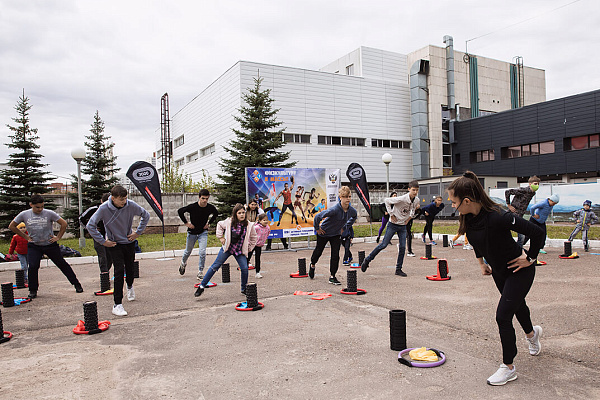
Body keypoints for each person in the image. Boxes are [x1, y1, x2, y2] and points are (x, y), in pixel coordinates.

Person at [447, 171, 545, 386]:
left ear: (466, 200)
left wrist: (530, 257)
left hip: (520, 270)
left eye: (454, 202)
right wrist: (481, 263)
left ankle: (508, 367)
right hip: (499, 272)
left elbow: (536, 233)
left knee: (503, 316)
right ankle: (532, 335)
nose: (452, 206)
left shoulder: (498, 216)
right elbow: (475, 241)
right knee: (518, 306)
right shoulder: (469, 218)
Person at [87, 185, 150, 317]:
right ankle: (117, 304)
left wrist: (137, 233)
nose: (124, 202)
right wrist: (103, 241)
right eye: (121, 199)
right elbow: (90, 225)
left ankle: (130, 286)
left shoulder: (131, 205)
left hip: (128, 241)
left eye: (125, 198)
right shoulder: (104, 208)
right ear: (113, 198)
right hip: (114, 244)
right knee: (119, 271)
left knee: (130, 268)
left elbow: (146, 215)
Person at [9, 195, 83, 299]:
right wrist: (25, 236)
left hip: (50, 245)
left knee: (62, 264)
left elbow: (64, 224)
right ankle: (33, 290)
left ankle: (77, 284)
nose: (40, 209)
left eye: (42, 207)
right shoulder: (24, 214)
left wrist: (58, 237)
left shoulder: (49, 213)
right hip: (34, 245)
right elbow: (11, 226)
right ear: (31, 205)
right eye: (37, 207)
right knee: (33, 266)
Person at [195, 203, 257, 297]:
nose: (242, 215)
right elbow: (219, 224)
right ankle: (202, 286)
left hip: (239, 251)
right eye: (239, 213)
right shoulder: (229, 221)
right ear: (235, 214)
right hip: (228, 248)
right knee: (215, 266)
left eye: (243, 213)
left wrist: (249, 248)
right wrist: (220, 237)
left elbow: (254, 237)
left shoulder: (248, 224)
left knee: (244, 268)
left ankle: (244, 288)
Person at [361, 180, 420, 277]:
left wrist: (409, 218)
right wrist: (391, 214)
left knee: (402, 247)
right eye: (413, 190)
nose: (415, 192)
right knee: (383, 244)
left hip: (402, 226)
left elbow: (413, 209)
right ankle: (367, 260)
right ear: (409, 189)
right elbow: (387, 201)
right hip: (393, 224)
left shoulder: (416, 200)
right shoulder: (402, 198)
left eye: (417, 190)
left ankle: (398, 269)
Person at [309, 186, 357, 285]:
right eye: (345, 197)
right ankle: (312, 265)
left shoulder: (351, 210)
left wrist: (345, 227)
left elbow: (354, 216)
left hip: (335, 234)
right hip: (324, 232)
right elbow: (318, 216)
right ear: (340, 197)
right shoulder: (335, 210)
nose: (348, 199)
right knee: (318, 252)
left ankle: (332, 276)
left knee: (335, 255)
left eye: (349, 196)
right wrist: (317, 228)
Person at [177, 189, 218, 279]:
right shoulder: (193, 207)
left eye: (206, 199)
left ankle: (200, 271)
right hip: (192, 232)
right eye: (203, 198)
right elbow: (180, 211)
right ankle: (183, 263)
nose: (204, 201)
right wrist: (186, 223)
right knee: (188, 251)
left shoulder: (210, 208)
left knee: (202, 252)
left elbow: (216, 213)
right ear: (199, 197)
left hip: (203, 232)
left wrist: (209, 223)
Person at [79, 193, 113, 279]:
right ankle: (104, 275)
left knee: (110, 256)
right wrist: (89, 229)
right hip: (98, 236)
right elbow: (81, 219)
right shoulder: (93, 209)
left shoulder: (113, 209)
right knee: (102, 256)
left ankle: (106, 272)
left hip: (109, 236)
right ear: (101, 202)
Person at [505, 176, 540, 247]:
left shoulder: (532, 193)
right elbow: (507, 192)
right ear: (530, 184)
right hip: (513, 215)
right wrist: (508, 205)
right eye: (535, 184)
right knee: (520, 236)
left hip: (520, 216)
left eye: (538, 184)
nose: (537, 186)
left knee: (521, 237)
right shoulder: (524, 190)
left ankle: (518, 252)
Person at [251, 213, 270, 278]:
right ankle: (244, 268)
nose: (266, 221)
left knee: (258, 258)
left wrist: (263, 240)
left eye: (267, 220)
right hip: (253, 244)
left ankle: (257, 272)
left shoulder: (267, 228)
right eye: (264, 220)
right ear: (259, 221)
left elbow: (267, 234)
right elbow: (251, 234)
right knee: (248, 257)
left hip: (259, 245)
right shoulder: (256, 227)